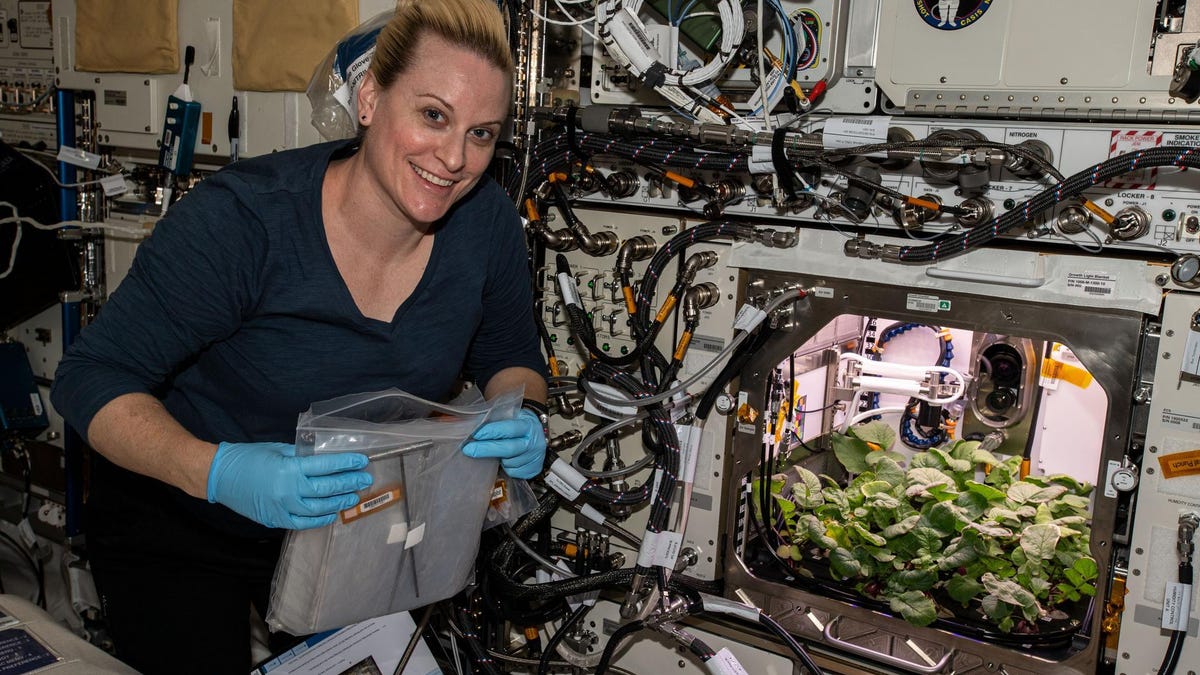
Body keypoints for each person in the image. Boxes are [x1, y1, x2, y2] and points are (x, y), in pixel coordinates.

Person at [50, 0, 547, 672]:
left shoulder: (484, 225)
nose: (455, 157)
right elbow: (90, 378)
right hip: (180, 516)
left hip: (346, 520)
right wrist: (221, 470)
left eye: (482, 133)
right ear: (370, 100)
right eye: (433, 115)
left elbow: (510, 357)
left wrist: (520, 410)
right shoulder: (244, 222)